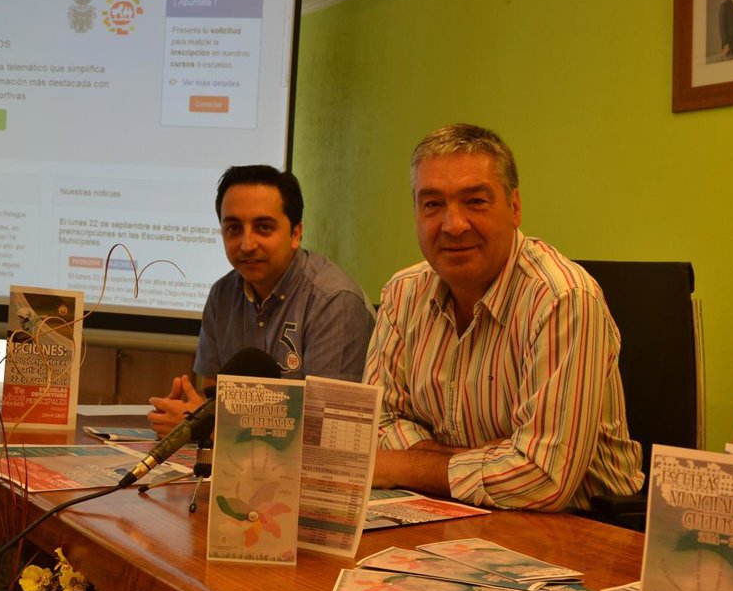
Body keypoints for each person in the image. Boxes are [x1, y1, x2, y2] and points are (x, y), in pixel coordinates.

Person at [365, 123, 643, 511]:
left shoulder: (563, 298)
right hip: (451, 511)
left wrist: (406, 465)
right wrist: (495, 459)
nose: (453, 225)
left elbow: (542, 478)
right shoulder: (402, 293)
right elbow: (376, 427)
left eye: (475, 201)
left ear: (514, 208)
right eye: (432, 205)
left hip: (583, 525)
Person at [148, 165, 374, 435]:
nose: (247, 244)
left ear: (296, 233)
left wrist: (204, 427)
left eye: (263, 228)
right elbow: (212, 397)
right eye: (233, 228)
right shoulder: (222, 295)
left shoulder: (334, 302)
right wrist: (190, 414)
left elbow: (326, 430)